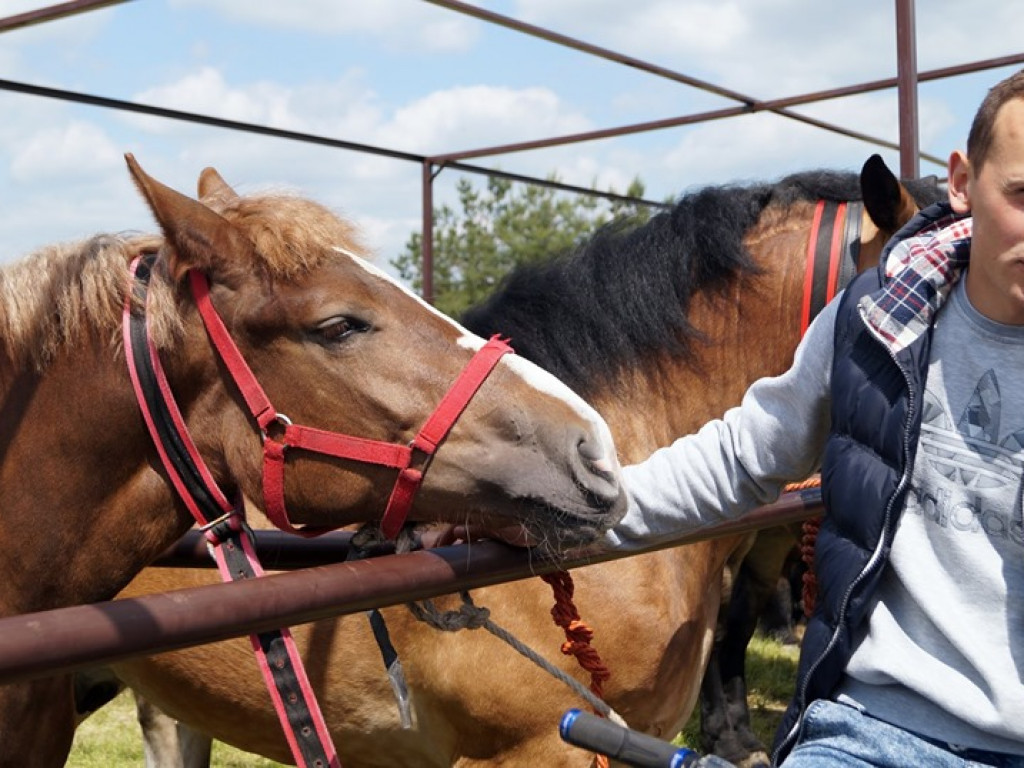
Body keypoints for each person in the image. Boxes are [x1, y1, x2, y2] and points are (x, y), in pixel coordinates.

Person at [603, 68, 1024, 767]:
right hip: (874, 731)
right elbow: (741, 456)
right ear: (961, 183)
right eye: (1022, 194)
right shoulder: (879, 320)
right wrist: (571, 509)